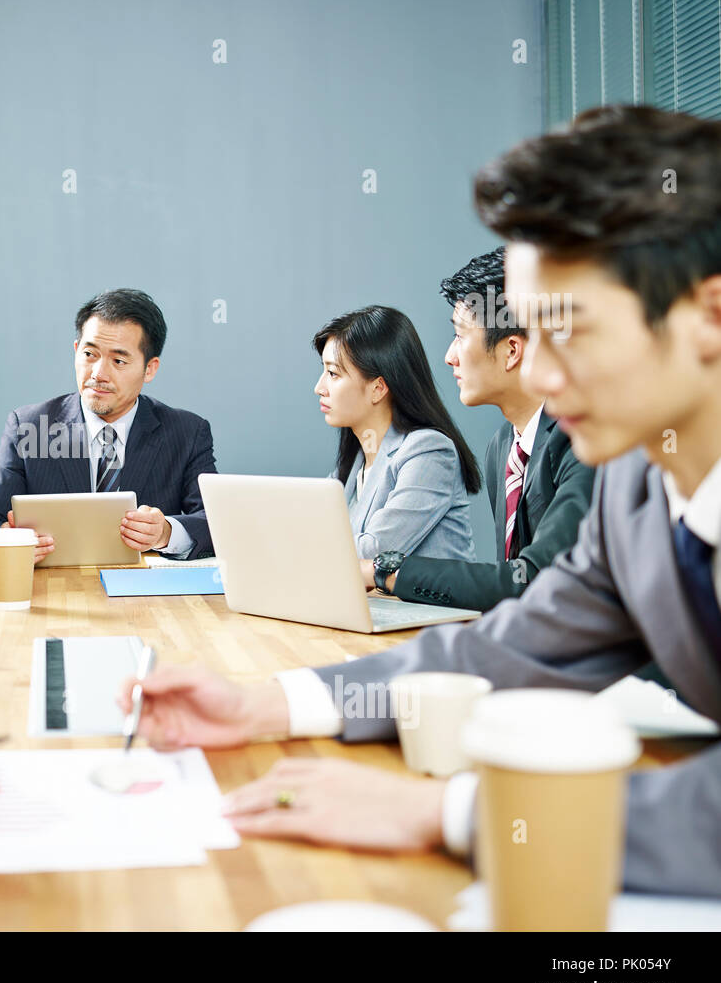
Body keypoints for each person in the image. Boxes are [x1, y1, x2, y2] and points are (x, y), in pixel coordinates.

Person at [118, 104, 721, 897]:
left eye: (568, 330)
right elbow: (506, 650)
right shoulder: (640, 489)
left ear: (707, 312)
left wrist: (450, 810)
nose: (537, 375)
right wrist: (262, 705)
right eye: (530, 335)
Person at [363, 250, 595, 610]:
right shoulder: (502, 447)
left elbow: (532, 581)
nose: (449, 356)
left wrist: (386, 571)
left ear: (511, 351)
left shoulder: (583, 442)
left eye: (460, 335)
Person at [0, 289, 217, 561]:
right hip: (52, 589)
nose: (98, 374)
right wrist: (5, 542)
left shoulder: (187, 432)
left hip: (145, 594)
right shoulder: (31, 426)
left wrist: (166, 532)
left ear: (149, 368)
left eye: (118, 360)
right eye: (90, 354)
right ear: (75, 350)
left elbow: (215, 520)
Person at [313, 306, 480, 576]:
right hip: (376, 612)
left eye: (333, 374)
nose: (319, 387)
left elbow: (374, 552)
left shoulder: (430, 452)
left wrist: (296, 549)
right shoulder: (353, 464)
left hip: (434, 618)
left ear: (378, 388)